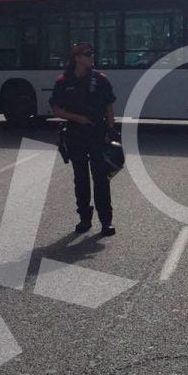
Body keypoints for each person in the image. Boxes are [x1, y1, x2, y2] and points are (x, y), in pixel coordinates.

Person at [49, 43, 117, 237]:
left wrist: (111, 130)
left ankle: (106, 222)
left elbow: (109, 106)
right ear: (77, 58)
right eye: (88, 54)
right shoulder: (63, 81)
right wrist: (77, 118)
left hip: (97, 133)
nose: (92, 57)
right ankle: (84, 219)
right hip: (76, 134)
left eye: (92, 53)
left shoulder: (100, 79)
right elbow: (56, 109)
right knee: (81, 179)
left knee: (101, 178)